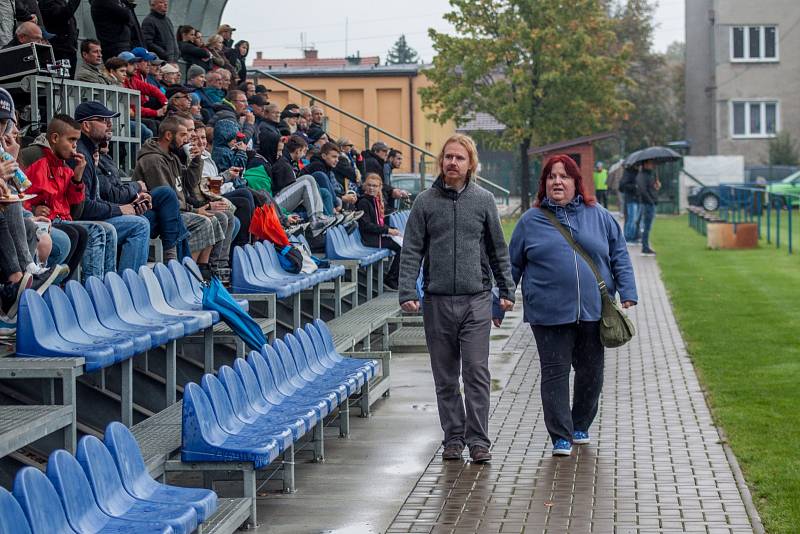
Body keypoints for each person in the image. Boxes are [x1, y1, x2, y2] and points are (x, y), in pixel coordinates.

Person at [508, 154, 637, 456]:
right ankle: (560, 436)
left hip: (593, 310)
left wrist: (628, 290)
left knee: (591, 372)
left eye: (564, 176)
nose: (557, 181)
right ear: (544, 183)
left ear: (576, 183)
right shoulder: (531, 220)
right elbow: (511, 264)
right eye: (552, 176)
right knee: (555, 372)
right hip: (548, 312)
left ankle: (580, 424)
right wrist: (499, 301)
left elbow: (619, 254)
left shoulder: (599, 215)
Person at [398, 133, 515, 464]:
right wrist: (408, 290)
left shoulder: (483, 201)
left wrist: (506, 290)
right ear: (441, 161)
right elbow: (412, 251)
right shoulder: (424, 202)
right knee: (445, 375)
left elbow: (497, 249)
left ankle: (478, 440)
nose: (453, 162)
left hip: (476, 299)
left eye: (459, 158)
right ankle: (453, 437)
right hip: (437, 301)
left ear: (471, 164)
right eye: (448, 157)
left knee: (476, 372)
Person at [23, 115, 117, 281]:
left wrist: (77, 179)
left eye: (77, 140)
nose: (75, 146)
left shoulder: (66, 165)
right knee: (89, 232)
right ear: (54, 138)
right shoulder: (32, 156)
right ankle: (83, 289)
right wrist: (32, 209)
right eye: (72, 140)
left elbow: (76, 210)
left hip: (63, 220)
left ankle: (106, 288)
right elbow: (17, 194)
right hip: (45, 222)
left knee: (106, 231)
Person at [132, 116, 221, 278]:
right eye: (182, 135)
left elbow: (188, 184)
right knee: (203, 223)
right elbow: (168, 199)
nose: (186, 139)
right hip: (160, 214)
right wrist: (194, 210)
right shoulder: (153, 160)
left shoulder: (171, 156)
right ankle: (184, 275)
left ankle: (203, 269)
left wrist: (196, 161)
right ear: (168, 135)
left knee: (215, 219)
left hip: (177, 210)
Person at [73, 102, 151, 273]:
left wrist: (131, 204)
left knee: (142, 220)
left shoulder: (91, 151)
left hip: (94, 216)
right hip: (79, 221)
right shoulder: (80, 154)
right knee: (139, 225)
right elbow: (85, 207)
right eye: (102, 119)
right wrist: (122, 209)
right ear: (86, 125)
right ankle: (128, 285)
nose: (109, 124)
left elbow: (99, 197)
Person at [269, 134, 335, 233]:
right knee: (307, 180)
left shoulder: (289, 163)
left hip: (281, 200)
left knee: (322, 191)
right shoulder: (283, 164)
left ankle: (325, 219)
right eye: (303, 151)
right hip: (275, 204)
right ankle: (316, 219)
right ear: (298, 150)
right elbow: (283, 190)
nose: (304, 155)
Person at [356, 173, 401, 289]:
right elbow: (366, 226)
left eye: (375, 186)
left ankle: (397, 278)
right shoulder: (363, 202)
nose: (372, 188)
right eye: (369, 185)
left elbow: (378, 223)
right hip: (371, 239)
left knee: (404, 244)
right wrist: (387, 230)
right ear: (365, 186)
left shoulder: (376, 200)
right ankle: (391, 279)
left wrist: (391, 230)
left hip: (378, 235)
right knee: (402, 249)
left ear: (380, 187)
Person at [39, 0, 81, 77]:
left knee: (68, 84)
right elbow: (62, 15)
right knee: (60, 82)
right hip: (59, 50)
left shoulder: (62, 2)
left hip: (69, 50)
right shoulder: (47, 2)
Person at [636, 159, 659, 255]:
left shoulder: (650, 174)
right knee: (646, 227)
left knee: (648, 226)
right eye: (650, 163)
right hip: (647, 204)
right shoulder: (642, 176)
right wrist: (651, 201)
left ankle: (646, 246)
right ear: (645, 164)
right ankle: (645, 247)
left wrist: (656, 186)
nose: (652, 165)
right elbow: (643, 191)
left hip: (651, 203)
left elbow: (651, 188)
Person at [619, 163, 641, 243]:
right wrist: (635, 186)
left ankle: (634, 236)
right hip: (631, 199)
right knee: (631, 219)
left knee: (635, 219)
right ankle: (628, 237)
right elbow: (623, 186)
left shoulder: (638, 173)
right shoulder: (628, 173)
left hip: (637, 199)